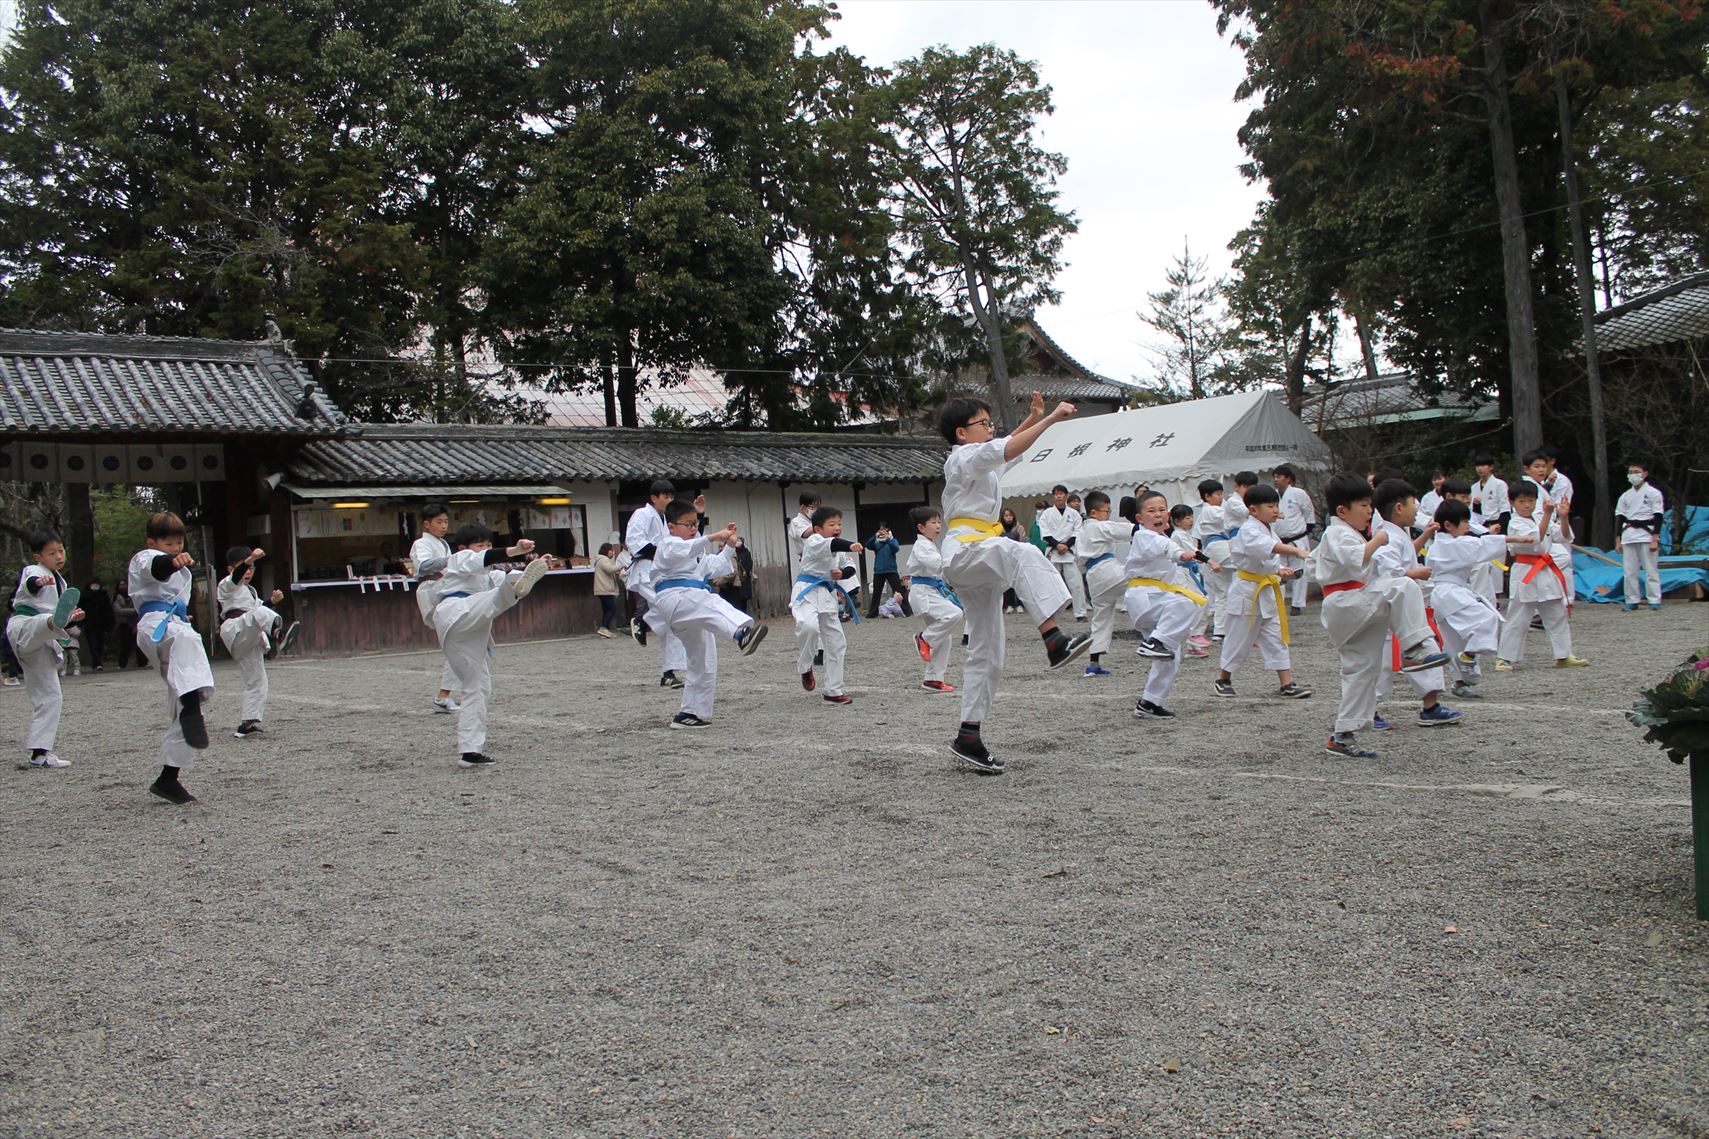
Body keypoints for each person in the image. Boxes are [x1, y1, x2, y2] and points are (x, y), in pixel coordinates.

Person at [939, 392, 1090, 774]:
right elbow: (1005, 448)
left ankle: (969, 735)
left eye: (990, 423)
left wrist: (1033, 418)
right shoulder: (962, 458)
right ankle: (1053, 638)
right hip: (966, 549)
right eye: (983, 423)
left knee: (988, 649)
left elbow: (1006, 448)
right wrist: (1051, 418)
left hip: (980, 557)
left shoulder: (982, 463)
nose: (990, 429)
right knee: (1020, 551)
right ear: (961, 433)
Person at [1314, 474, 1452, 759]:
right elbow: (1357, 557)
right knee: (1402, 586)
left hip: (1350, 606)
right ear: (1342, 511)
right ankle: (1415, 648)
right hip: (1346, 602)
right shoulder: (1336, 533)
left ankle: (1343, 735)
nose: (1369, 512)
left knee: (1362, 670)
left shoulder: (1345, 533)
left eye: (1370, 505)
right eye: (1364, 506)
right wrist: (1378, 539)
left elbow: (1311, 560)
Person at [432, 524, 553, 766]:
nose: (485, 548)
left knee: (477, 686)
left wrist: (536, 565)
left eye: (488, 544)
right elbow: (482, 558)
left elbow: (499, 569)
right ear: (463, 547)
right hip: (457, 611)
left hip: (470, 631)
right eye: (480, 545)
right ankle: (515, 589)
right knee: (503, 591)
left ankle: (470, 751)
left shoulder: (489, 576)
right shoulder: (458, 560)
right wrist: (515, 550)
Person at [646, 501, 769, 728]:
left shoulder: (697, 553)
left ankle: (690, 713)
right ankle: (742, 634)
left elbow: (718, 566)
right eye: (688, 524)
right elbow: (683, 551)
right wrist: (713, 537)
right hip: (676, 598)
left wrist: (729, 546)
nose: (693, 528)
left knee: (703, 658)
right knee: (712, 602)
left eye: (695, 524)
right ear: (671, 527)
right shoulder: (667, 544)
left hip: (688, 604)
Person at [129, 511, 214, 804]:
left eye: (179, 542)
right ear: (152, 542)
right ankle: (190, 705)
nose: (176, 548)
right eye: (169, 543)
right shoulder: (144, 558)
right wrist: (169, 561)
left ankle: (168, 779)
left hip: (173, 625)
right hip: (156, 626)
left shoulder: (182, 571)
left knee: (190, 700)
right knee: (188, 640)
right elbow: (156, 568)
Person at [1369, 480, 1463, 730]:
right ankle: (1369, 710)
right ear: (1399, 508)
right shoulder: (1386, 536)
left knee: (1426, 651)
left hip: (1408, 610)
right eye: (1414, 505)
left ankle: (1430, 707)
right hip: (1391, 609)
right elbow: (1388, 572)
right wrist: (1415, 573)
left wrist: (1426, 535)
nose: (1417, 510)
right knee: (1383, 662)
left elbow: (1406, 554)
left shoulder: (1398, 533)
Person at [1214, 483, 1312, 700]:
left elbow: (1268, 558)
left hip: (1266, 590)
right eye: (1270, 506)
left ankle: (1286, 683)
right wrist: (1297, 551)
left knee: (1276, 637)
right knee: (1239, 637)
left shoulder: (1268, 529)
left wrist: (1279, 570)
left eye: (1276, 505)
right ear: (1253, 510)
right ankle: (1223, 679)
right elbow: (1269, 548)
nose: (1276, 510)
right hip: (1247, 592)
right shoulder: (1248, 530)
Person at [1123, 492, 1210, 719]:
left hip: (1153, 597)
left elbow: (1165, 547)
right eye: (1151, 511)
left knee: (1171, 654)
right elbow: (1163, 547)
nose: (1158, 514)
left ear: (1168, 514)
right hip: (1145, 596)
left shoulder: (1161, 536)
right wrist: (1181, 553)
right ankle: (1155, 642)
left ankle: (1149, 703)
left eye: (1162, 510)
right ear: (1140, 518)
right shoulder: (1144, 536)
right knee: (1186, 603)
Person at [7, 529, 84, 769]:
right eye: (52, 553)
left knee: (51, 696)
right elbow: (31, 584)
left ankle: (40, 754)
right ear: (38, 556)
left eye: (61, 550)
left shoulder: (61, 581)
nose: (59, 556)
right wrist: (38, 583)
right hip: (25, 626)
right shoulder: (34, 571)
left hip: (41, 641)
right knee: (43, 622)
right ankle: (54, 622)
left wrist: (70, 619)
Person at [1495, 483, 1587, 670]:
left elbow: (1564, 537)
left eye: (1530, 501)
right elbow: (1535, 539)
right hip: (1525, 571)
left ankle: (1563, 655)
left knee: (1556, 613)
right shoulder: (1515, 522)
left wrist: (1563, 517)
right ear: (1511, 502)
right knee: (1518, 616)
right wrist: (1547, 514)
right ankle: (1504, 658)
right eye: (1521, 501)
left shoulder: (1538, 517)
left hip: (1545, 570)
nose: (1527, 505)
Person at [1427, 498, 1508, 700]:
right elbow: (1481, 545)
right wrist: (1516, 539)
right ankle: (1469, 656)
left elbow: (1478, 541)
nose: (1467, 527)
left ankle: (1460, 681)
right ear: (1448, 525)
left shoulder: (1439, 545)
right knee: (1485, 619)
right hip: (1452, 593)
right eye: (1464, 522)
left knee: (1454, 640)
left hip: (1443, 595)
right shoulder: (1454, 544)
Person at [626, 481, 703, 688]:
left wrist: (698, 516)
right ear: (654, 498)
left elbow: (687, 540)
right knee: (672, 609)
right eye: (665, 496)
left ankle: (668, 673)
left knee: (672, 620)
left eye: (671, 496)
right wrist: (662, 551)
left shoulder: (667, 521)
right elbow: (634, 542)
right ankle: (642, 620)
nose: (669, 500)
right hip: (645, 570)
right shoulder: (642, 515)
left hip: (661, 573)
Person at [218, 545, 291, 738]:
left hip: (249, 636)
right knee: (258, 613)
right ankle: (280, 634)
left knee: (258, 681)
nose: (248, 571)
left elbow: (260, 609)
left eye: (251, 568)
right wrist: (249, 560)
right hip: (235, 629)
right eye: (244, 567)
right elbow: (236, 578)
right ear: (230, 569)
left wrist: (272, 602)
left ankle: (247, 724)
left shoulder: (251, 592)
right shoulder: (226, 585)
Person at [793, 506, 862, 704]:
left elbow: (849, 566)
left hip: (827, 594)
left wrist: (842, 573)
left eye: (839, 524)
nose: (837, 527)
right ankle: (805, 667)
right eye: (831, 524)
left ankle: (833, 691)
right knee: (808, 627)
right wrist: (851, 545)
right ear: (817, 529)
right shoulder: (814, 541)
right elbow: (834, 544)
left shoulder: (837, 548)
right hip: (807, 591)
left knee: (836, 642)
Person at [1079, 490, 1139, 677]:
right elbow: (1123, 530)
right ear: (1094, 513)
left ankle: (1093, 664)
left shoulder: (1082, 531)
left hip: (1093, 577)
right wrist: (1144, 525)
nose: (1108, 515)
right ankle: (1154, 634)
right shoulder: (1098, 526)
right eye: (1107, 511)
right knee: (1142, 576)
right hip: (1106, 571)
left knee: (1101, 619)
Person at [904, 506, 963, 693]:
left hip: (932, 591)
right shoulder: (921, 545)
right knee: (954, 614)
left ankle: (933, 679)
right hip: (923, 592)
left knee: (945, 637)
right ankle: (924, 638)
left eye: (939, 522)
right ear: (921, 527)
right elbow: (936, 565)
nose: (938, 525)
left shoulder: (929, 544)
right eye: (933, 522)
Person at [409, 503, 460, 713]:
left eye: (446, 521)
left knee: (459, 643)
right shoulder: (421, 543)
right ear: (427, 524)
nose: (444, 526)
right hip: (433, 591)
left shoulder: (444, 543)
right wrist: (454, 559)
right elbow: (423, 566)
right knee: (457, 643)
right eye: (439, 522)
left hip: (445, 590)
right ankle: (443, 696)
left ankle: (445, 696)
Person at [1616, 460, 1665, 611]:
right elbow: (1620, 517)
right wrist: (1618, 539)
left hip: (1647, 533)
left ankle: (1654, 600)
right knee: (1629, 571)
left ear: (1645, 474)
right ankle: (1632, 600)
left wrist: (1655, 537)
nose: (1633, 475)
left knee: (1650, 569)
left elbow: (1658, 516)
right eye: (1630, 472)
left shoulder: (1653, 493)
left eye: (1636, 472)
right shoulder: (1625, 496)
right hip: (1629, 534)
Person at [1036, 484, 1088, 620]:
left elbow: (1078, 531)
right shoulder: (1047, 514)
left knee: (1076, 585)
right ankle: (1050, 613)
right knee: (1051, 584)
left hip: (1069, 551)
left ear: (1065, 496)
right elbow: (1045, 532)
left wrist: (1066, 545)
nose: (1059, 496)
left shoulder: (1074, 514)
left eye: (1061, 493)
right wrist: (1057, 545)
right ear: (1053, 496)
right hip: (1054, 551)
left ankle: (1080, 613)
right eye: (1056, 494)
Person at [1170, 503, 1214, 656]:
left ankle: (1193, 645)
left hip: (1189, 572)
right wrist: (1210, 561)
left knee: (1200, 602)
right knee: (1197, 602)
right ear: (1177, 521)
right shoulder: (1178, 535)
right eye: (1187, 518)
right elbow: (1194, 552)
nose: (1191, 521)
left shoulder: (1185, 534)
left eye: (1191, 517)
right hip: (1181, 574)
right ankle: (1193, 635)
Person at [1273, 465, 1316, 615]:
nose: (1276, 480)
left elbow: (1308, 511)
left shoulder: (1298, 493)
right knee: (1279, 571)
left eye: (1279, 477)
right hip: (1279, 540)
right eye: (1275, 477)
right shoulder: (1272, 495)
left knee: (1299, 572)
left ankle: (1297, 604)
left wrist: (1307, 529)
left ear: (1288, 479)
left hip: (1297, 537)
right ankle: (1279, 602)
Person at [864, 523, 910, 618]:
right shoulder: (876, 541)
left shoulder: (892, 540)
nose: (882, 531)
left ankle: (906, 610)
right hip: (879, 570)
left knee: (898, 590)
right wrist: (874, 536)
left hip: (891, 569)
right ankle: (873, 613)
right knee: (876, 592)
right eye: (880, 529)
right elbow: (868, 545)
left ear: (888, 530)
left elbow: (896, 548)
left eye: (884, 529)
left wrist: (888, 538)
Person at [79, 579, 114, 671]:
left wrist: (109, 623)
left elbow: (108, 610)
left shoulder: (103, 595)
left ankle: (98, 661)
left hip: (102, 624)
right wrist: (81, 623)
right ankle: (97, 662)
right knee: (93, 644)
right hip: (89, 624)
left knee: (101, 644)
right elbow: (80, 609)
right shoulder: (84, 597)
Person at [593, 543, 626, 637]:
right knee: (612, 609)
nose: (613, 552)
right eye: (611, 550)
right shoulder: (603, 559)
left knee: (607, 609)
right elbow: (610, 569)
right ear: (607, 551)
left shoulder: (601, 560)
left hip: (602, 590)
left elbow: (610, 570)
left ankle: (605, 629)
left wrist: (618, 570)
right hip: (605, 589)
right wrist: (621, 566)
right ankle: (603, 627)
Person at [999, 506, 1027, 613]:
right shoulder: (999, 529)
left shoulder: (1019, 527)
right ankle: (1010, 604)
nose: (1008, 518)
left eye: (1010, 515)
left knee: (1018, 581)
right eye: (1006, 516)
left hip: (1017, 557)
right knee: (1008, 581)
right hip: (1005, 558)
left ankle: (1020, 603)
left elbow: (1023, 541)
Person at [720, 535, 755, 614]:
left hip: (742, 582)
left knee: (741, 604)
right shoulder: (728, 553)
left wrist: (742, 573)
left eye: (739, 541)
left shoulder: (746, 553)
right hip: (729, 585)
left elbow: (748, 566)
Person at [112, 580, 138, 669]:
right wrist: (134, 611)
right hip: (124, 623)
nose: (123, 586)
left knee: (137, 643)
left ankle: (142, 661)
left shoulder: (132, 596)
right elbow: (118, 611)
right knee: (125, 644)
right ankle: (122, 663)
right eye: (121, 585)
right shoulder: (117, 598)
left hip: (134, 623)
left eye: (124, 584)